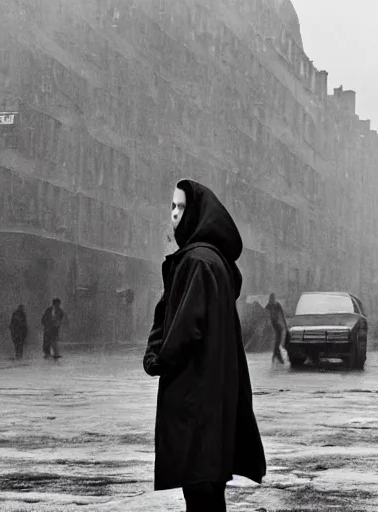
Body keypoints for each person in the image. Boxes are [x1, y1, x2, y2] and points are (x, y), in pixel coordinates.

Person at [143, 179, 266, 511]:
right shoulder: (213, 262)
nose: (174, 214)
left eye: (181, 208)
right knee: (209, 492)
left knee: (200, 492)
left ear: (197, 214)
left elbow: (185, 329)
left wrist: (157, 359)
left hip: (194, 401)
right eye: (172, 206)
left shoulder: (197, 262)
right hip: (211, 401)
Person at [265, 293, 287, 364]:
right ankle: (277, 356)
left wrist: (284, 323)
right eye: (272, 298)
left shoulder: (277, 305)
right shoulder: (269, 306)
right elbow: (267, 316)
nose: (273, 299)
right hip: (274, 324)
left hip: (277, 323)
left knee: (278, 340)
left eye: (273, 297)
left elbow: (282, 314)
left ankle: (276, 355)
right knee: (278, 339)